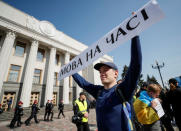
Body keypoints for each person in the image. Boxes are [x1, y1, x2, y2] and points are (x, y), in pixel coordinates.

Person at [72, 36, 142, 131]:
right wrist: (71, 71)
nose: (101, 73)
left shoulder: (123, 89)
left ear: (116, 73)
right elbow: (83, 83)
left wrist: (134, 36)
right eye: (100, 71)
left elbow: (135, 65)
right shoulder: (99, 91)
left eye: (105, 70)